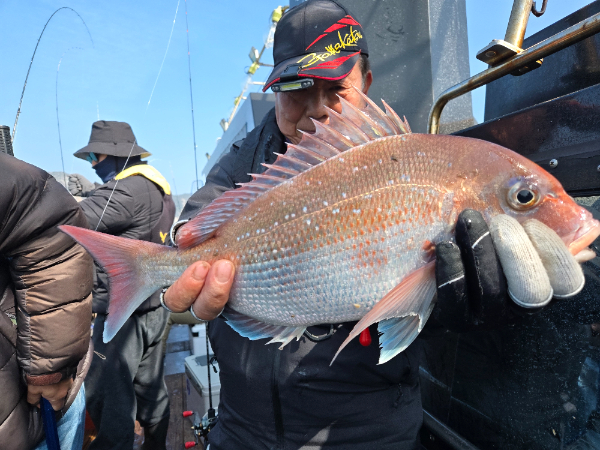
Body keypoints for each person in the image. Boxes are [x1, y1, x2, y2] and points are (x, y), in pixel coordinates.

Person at [161, 1, 587, 448]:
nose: (317, 110)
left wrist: (468, 304)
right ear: (276, 92)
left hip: (370, 434)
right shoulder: (240, 162)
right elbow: (192, 227)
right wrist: (178, 264)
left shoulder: (414, 159)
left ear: (365, 82)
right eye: (296, 89)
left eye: (335, 89)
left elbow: (418, 305)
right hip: (241, 432)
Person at [68, 120, 176, 450]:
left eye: (95, 157)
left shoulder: (124, 191)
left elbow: (67, 220)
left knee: (109, 402)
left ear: (114, 155)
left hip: (121, 315)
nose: (92, 165)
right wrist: (94, 190)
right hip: (155, 308)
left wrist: (69, 195)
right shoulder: (156, 187)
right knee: (151, 392)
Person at [0, 152, 93, 450]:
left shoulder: (131, 189)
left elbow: (48, 220)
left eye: (94, 155)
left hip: (33, 410)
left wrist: (48, 371)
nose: (93, 162)